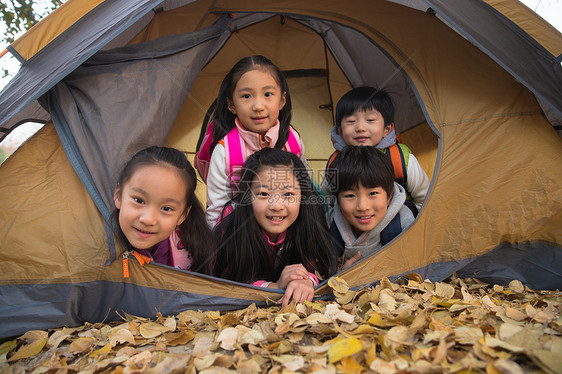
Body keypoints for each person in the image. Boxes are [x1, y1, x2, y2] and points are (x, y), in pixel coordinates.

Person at [213, 148, 337, 306]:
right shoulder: (232, 228)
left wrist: (307, 281)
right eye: (264, 194)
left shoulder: (308, 224)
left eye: (288, 194)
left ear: (303, 197)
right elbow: (226, 283)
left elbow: (321, 268)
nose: (276, 206)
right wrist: (274, 287)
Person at [194, 55, 307, 227]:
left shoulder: (293, 140)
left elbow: (304, 189)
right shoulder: (225, 151)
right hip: (240, 235)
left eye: (268, 94)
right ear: (231, 104)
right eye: (246, 96)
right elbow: (216, 211)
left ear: (282, 100)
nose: (258, 106)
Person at [325, 86, 429, 213]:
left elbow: (425, 199)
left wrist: (414, 229)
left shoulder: (401, 159)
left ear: (387, 129)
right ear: (340, 131)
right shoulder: (336, 163)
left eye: (370, 120)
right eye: (351, 121)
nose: (360, 128)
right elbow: (326, 201)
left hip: (399, 228)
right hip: (352, 228)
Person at [112, 146, 213, 274]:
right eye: (138, 200)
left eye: (166, 208)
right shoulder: (94, 249)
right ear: (118, 195)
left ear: (183, 215)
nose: (148, 219)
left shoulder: (195, 250)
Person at [326, 146, 415, 268]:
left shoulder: (405, 224)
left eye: (373, 194)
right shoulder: (329, 225)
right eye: (350, 196)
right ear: (338, 200)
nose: (363, 207)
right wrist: (340, 277)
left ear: (389, 196)